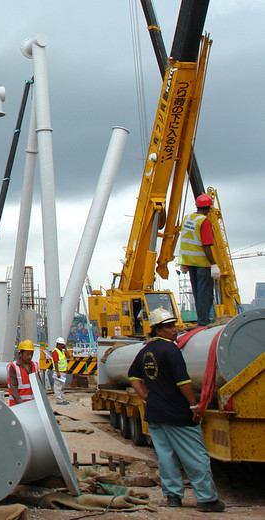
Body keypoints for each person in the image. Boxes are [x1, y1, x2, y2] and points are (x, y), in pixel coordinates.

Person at [128, 307, 225, 512]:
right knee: (195, 456)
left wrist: (145, 396)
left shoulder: (145, 351)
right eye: (169, 326)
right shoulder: (171, 350)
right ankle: (207, 499)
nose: (174, 330)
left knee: (166, 457)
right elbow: (183, 381)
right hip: (176, 412)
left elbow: (133, 375)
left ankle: (173, 497)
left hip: (155, 413)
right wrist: (193, 404)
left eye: (174, 325)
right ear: (157, 330)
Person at [176, 194, 220, 326]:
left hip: (190, 263)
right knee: (205, 295)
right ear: (209, 208)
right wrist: (213, 264)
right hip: (202, 264)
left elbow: (184, 241)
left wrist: (183, 262)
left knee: (197, 293)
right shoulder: (204, 222)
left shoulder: (188, 219)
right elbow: (206, 244)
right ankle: (204, 323)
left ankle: (202, 322)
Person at [7, 339, 39, 406]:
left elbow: (39, 385)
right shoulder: (13, 367)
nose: (30, 357)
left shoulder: (35, 365)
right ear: (20, 353)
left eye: (31, 354)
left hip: (33, 404)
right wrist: (21, 404)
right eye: (27, 354)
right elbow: (13, 388)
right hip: (18, 405)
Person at [50, 337, 69, 405]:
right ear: (57, 344)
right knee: (58, 386)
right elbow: (55, 362)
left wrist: (66, 348)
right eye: (62, 344)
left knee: (62, 387)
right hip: (59, 372)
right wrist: (57, 372)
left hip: (63, 372)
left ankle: (62, 399)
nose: (62, 346)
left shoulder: (62, 352)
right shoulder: (55, 352)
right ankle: (59, 400)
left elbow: (69, 356)